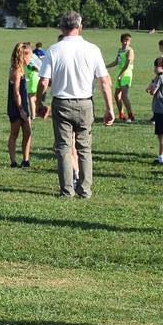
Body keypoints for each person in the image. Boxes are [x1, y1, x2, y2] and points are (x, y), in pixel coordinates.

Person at [35, 11, 113, 198]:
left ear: (62, 27)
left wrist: (38, 102)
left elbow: (44, 82)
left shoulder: (54, 50)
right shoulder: (93, 49)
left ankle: (67, 190)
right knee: (84, 148)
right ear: (80, 26)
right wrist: (110, 108)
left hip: (61, 103)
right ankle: (85, 189)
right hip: (85, 103)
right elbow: (104, 82)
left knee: (63, 147)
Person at [6, 40, 33, 167]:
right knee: (15, 133)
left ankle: (25, 160)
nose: (31, 59)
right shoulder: (16, 71)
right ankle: (13, 161)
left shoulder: (22, 69)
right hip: (16, 106)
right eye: (30, 56)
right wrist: (21, 109)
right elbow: (16, 92)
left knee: (27, 132)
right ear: (23, 56)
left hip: (23, 105)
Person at [146, 57, 163, 164]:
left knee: (161, 135)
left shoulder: (160, 77)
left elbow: (152, 91)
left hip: (160, 110)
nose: (154, 68)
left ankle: (161, 158)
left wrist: (151, 85)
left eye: (156, 66)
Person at [107, 34, 135, 124]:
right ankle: (121, 114)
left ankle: (131, 115)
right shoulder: (120, 50)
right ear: (121, 40)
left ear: (130, 41)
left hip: (126, 73)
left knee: (124, 95)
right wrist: (105, 66)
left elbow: (127, 64)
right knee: (116, 95)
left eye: (128, 40)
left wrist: (121, 74)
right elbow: (116, 61)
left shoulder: (130, 51)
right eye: (124, 40)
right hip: (119, 73)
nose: (126, 42)